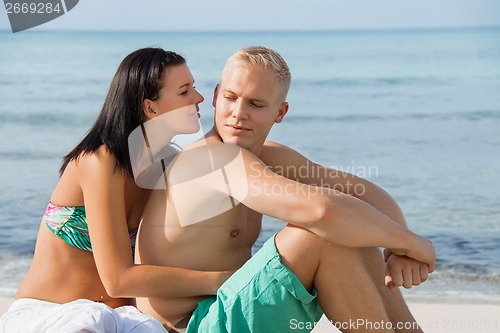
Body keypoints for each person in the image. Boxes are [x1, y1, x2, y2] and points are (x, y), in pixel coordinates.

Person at [135, 46, 435, 332]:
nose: (238, 113)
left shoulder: (269, 157)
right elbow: (323, 210)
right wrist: (414, 244)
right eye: (231, 97)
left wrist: (400, 249)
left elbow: (362, 192)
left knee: (355, 230)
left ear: (280, 112)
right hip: (192, 325)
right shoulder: (211, 158)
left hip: (229, 310)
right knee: (319, 235)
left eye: (256, 103)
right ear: (215, 96)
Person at [0, 48, 232, 333]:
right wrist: (217, 280)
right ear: (151, 108)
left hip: (122, 318)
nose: (198, 98)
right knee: (91, 321)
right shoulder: (100, 162)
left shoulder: (166, 165)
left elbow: (219, 174)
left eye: (193, 88)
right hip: (50, 315)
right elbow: (118, 278)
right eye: (185, 91)